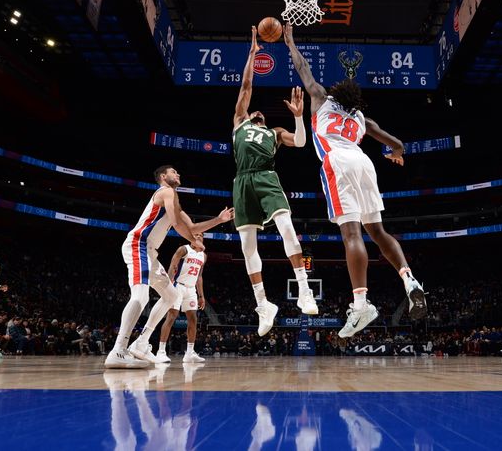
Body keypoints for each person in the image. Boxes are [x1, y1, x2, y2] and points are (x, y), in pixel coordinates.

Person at [284, 23, 427, 339]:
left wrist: (291, 42)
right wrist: (395, 154)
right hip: (365, 163)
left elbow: (303, 67)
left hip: (338, 162)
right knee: (376, 230)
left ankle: (361, 305)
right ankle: (408, 279)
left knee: (351, 234)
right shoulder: (363, 119)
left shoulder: (321, 98)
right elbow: (397, 143)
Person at [232, 26, 318, 337]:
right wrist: (252, 56)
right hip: (242, 181)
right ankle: (263, 305)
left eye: (260, 112)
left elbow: (301, 141)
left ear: (264, 120)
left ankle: (304, 290)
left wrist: (298, 115)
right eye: (253, 109)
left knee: (286, 228)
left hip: (267, 177)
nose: (256, 110)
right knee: (247, 246)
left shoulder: (275, 133)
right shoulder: (239, 122)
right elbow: (245, 86)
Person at [105, 165, 234, 369]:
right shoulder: (166, 192)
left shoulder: (175, 201)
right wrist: (193, 239)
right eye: (174, 172)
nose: (179, 174)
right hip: (138, 245)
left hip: (150, 253)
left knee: (172, 296)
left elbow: (191, 228)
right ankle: (118, 350)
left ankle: (141, 342)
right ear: (163, 177)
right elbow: (179, 226)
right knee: (141, 296)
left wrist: (219, 220)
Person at [156, 238, 207, 363]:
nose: (198, 236)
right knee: (172, 316)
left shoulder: (203, 256)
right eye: (196, 234)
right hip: (178, 285)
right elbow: (173, 265)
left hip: (191, 290)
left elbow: (199, 276)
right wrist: (169, 283)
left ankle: (189, 353)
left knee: (193, 319)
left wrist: (201, 296)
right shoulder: (184, 249)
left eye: (201, 234)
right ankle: (161, 351)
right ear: (191, 236)